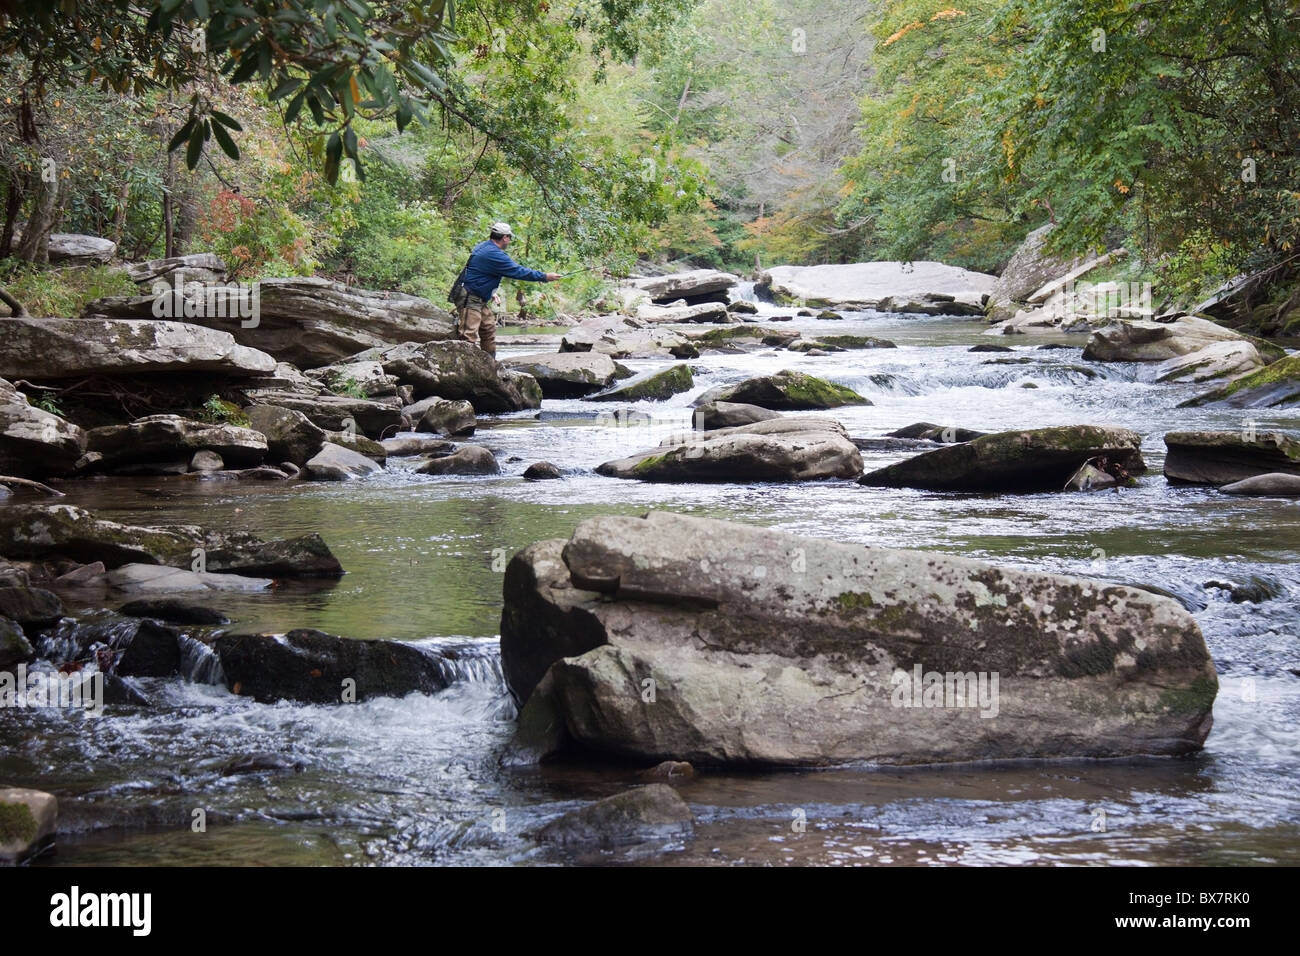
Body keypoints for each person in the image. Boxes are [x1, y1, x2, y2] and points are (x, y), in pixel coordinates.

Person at [457, 222, 560, 358]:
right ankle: (462, 370)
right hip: (469, 297)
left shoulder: (484, 247)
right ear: (505, 238)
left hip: (476, 296)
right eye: (509, 238)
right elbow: (518, 271)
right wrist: (544, 276)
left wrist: (492, 293)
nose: (510, 241)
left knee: (488, 329)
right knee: (468, 337)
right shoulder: (494, 254)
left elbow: (479, 272)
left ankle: (490, 365)